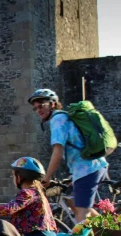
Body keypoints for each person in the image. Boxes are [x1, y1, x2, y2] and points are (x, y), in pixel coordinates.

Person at [29, 88, 108, 225]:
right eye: (35, 108)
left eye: (41, 105)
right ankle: (112, 230)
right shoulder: (63, 117)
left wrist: (47, 178)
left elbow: (57, 152)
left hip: (87, 169)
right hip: (89, 167)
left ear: (52, 104)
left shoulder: (58, 119)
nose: (38, 110)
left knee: (82, 215)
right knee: (75, 203)